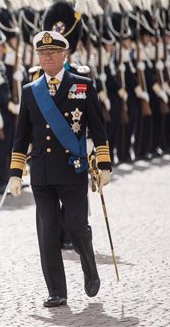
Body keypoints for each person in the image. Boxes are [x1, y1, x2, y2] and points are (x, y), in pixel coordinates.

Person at [7, 29, 112, 308]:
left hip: (72, 169)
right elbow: (21, 136)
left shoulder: (82, 85)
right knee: (47, 231)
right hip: (42, 173)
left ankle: (89, 265)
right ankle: (57, 291)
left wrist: (104, 164)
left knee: (77, 226)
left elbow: (98, 129)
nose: (47, 57)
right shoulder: (31, 92)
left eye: (52, 52)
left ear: (65, 55)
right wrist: (15, 173)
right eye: (42, 53)